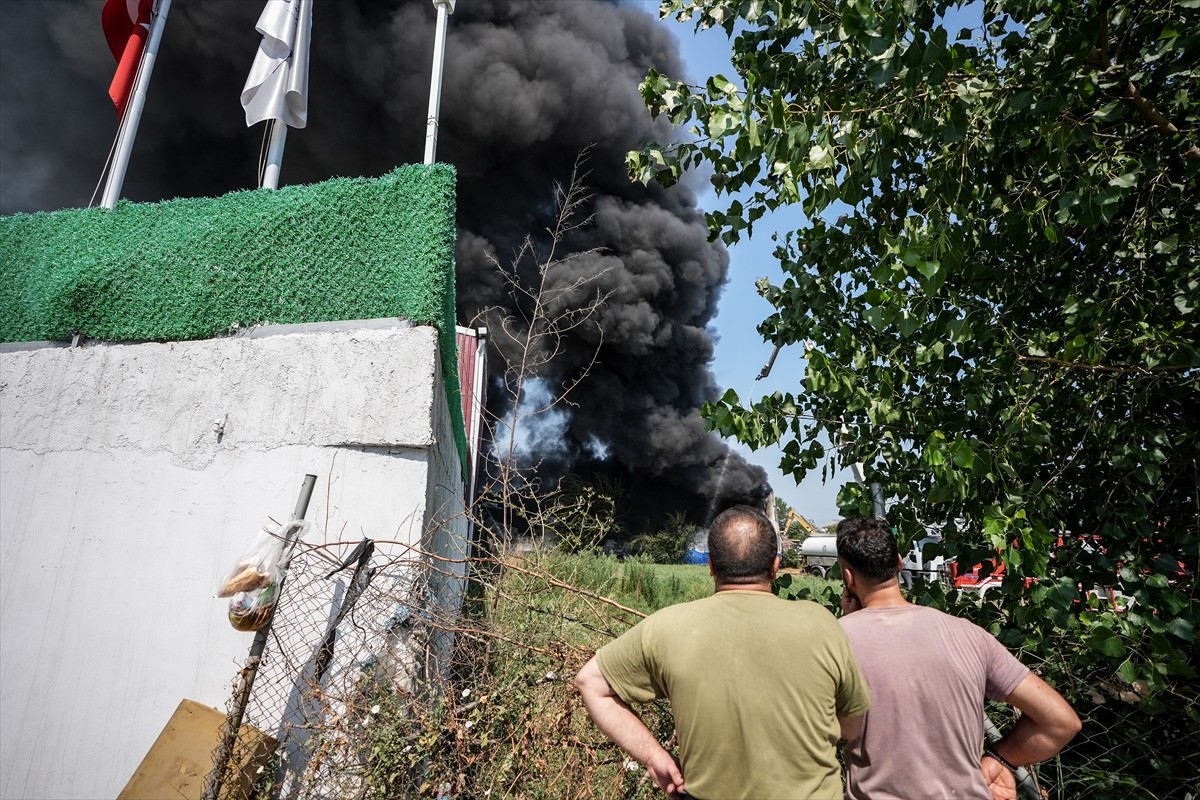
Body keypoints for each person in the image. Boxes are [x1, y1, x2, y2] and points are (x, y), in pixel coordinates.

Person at [575, 505, 871, 800]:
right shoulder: (821, 623)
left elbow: (590, 682)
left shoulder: (666, 626)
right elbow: (853, 724)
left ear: (712, 566)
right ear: (776, 565)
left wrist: (654, 756)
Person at [836, 517, 1082, 800]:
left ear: (848, 578)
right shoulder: (969, 635)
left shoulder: (836, 641)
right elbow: (1061, 722)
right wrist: (999, 758)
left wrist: (850, 624)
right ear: (900, 563)